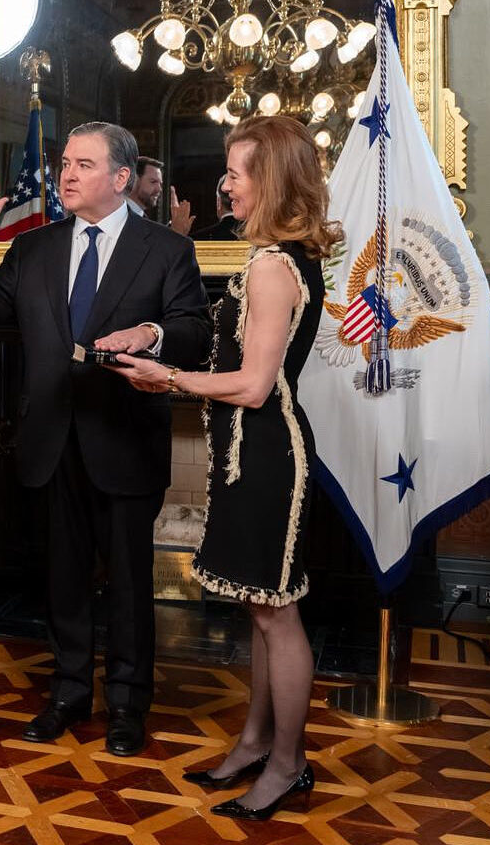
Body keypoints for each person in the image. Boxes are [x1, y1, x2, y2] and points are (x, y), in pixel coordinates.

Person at [0, 121, 210, 757]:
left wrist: (148, 334)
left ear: (121, 179)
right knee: (62, 578)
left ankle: (126, 703)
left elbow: (193, 329)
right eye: (65, 163)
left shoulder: (164, 250)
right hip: (49, 440)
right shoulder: (35, 248)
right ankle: (68, 692)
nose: (66, 175)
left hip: (123, 438)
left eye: (84, 165)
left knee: (128, 579)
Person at [109, 115, 338, 820]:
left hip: (268, 457)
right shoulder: (280, 255)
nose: (226, 185)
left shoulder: (273, 266)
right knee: (261, 611)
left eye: (237, 173)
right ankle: (255, 742)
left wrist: (167, 377)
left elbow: (253, 386)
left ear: (268, 181)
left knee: (277, 615)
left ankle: (288, 763)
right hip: (248, 456)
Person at [129, 155, 194, 236]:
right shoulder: (119, 216)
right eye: (153, 182)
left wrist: (174, 230)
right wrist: (176, 235)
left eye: (160, 184)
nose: (159, 189)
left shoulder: (140, 218)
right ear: (133, 181)